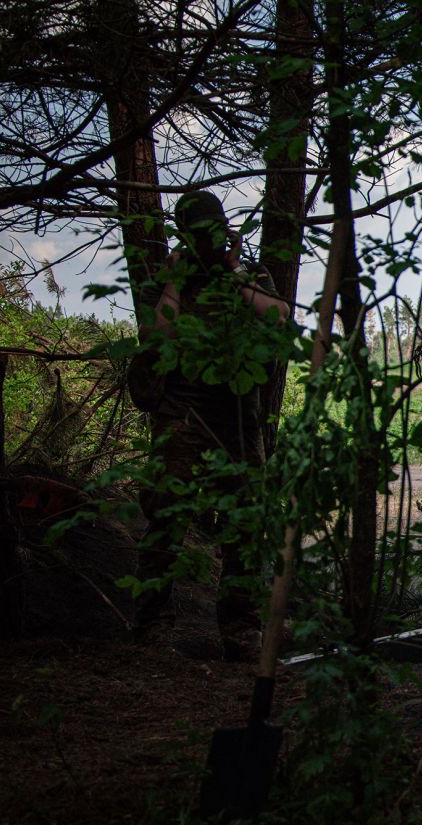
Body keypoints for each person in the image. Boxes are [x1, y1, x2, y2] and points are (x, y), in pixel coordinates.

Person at [132, 190, 291, 660]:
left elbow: (279, 319)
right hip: (182, 415)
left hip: (237, 420)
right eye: (199, 235)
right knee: (166, 521)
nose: (208, 242)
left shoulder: (247, 274)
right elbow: (156, 340)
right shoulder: (168, 280)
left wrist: (233, 275)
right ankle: (152, 627)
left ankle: (241, 630)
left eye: (214, 233)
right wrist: (178, 282)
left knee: (244, 527)